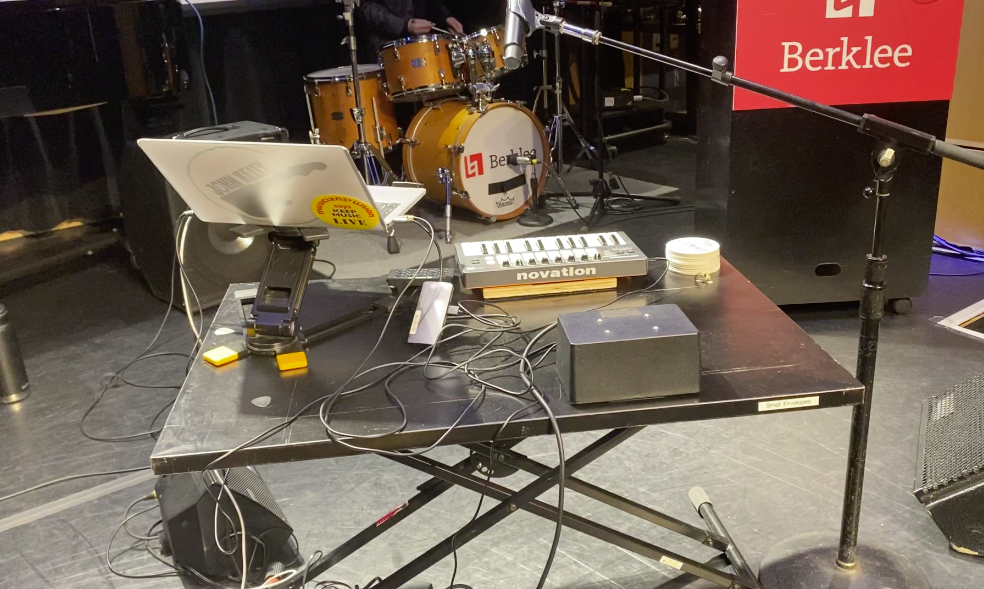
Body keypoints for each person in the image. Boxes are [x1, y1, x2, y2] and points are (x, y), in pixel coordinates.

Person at [358, 0, 465, 61]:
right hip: (387, 49)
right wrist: (404, 25)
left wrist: (446, 17)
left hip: (422, 47)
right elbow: (367, 9)